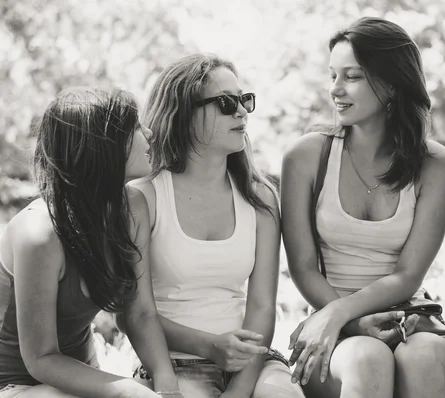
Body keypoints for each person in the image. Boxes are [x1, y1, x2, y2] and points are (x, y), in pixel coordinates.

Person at [281, 17, 445, 398]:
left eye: (353, 77)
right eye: (333, 76)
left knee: (424, 356)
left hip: (408, 318)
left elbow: (409, 275)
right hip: (332, 325)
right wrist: (344, 319)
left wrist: (344, 313)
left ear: (392, 83)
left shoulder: (436, 164)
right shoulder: (307, 155)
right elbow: (303, 268)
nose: (336, 90)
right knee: (367, 357)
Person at [130, 53, 304, 398]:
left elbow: (261, 307)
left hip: (252, 361)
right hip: (172, 363)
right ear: (183, 113)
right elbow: (135, 313)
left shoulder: (260, 197)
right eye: (225, 103)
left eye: (244, 100)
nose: (241, 112)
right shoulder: (143, 198)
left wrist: (240, 388)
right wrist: (209, 347)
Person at [0, 86, 181, 398]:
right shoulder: (40, 234)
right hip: (18, 385)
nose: (149, 133)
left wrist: (167, 387)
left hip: (83, 378)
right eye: (135, 127)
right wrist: (127, 390)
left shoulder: (133, 206)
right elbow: (41, 359)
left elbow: (140, 313)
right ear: (104, 145)